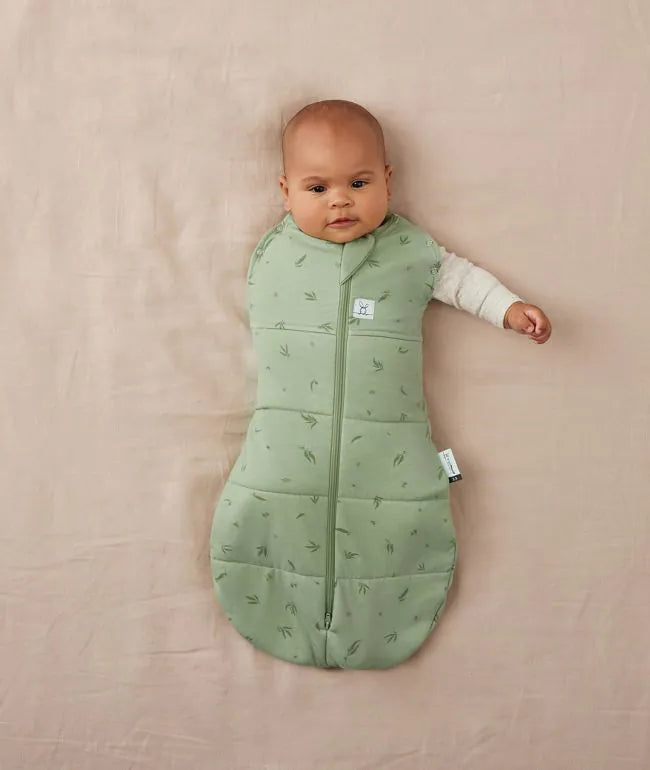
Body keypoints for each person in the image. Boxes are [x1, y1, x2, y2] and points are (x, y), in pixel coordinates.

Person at [278, 99, 552, 340]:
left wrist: (508, 309)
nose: (340, 200)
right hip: (289, 385)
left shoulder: (407, 247)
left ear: (386, 183)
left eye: (358, 183)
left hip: (384, 386)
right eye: (318, 188)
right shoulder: (274, 251)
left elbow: (461, 281)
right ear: (287, 193)